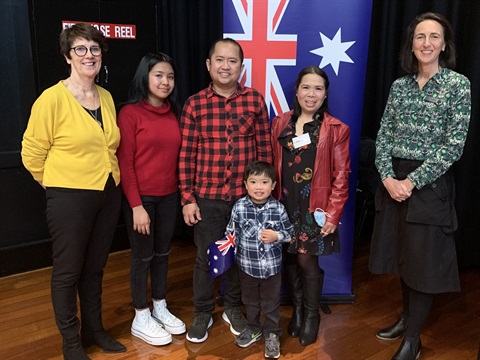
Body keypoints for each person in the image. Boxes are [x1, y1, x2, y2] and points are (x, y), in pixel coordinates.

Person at [369, 12, 471, 360]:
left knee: (423, 262)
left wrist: (411, 181)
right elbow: (383, 135)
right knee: (402, 255)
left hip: (429, 184)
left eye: (434, 37)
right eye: (420, 37)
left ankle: (413, 338)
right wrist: (386, 176)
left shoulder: (458, 85)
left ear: (445, 44)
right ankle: (407, 317)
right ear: (411, 45)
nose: (427, 43)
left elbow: (454, 146)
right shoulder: (400, 86)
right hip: (393, 179)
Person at [21, 23, 126, 359]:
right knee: (68, 271)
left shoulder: (106, 97)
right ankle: (71, 341)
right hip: (68, 196)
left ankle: (94, 330)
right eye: (80, 49)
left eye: (94, 48)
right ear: (68, 55)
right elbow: (31, 154)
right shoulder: (51, 99)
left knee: (95, 268)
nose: (89, 55)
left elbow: (109, 147)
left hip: (108, 193)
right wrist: (54, 183)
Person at [179, 37, 273, 343]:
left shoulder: (255, 101)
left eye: (232, 61)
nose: (225, 66)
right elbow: (186, 155)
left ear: (241, 67)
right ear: (209, 65)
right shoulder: (194, 104)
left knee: (238, 256)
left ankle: (232, 306)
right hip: (206, 199)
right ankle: (203, 311)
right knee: (206, 257)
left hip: (245, 201)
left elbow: (264, 154)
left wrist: (264, 196)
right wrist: (187, 198)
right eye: (219, 60)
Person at [271, 66, 351, 346]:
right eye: (306, 87)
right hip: (284, 204)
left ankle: (311, 314)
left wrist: (333, 213)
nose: (311, 94)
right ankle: (297, 310)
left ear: (325, 93)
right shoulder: (280, 123)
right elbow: (272, 166)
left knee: (306, 260)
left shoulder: (336, 129)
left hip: (314, 208)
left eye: (318, 88)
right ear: (296, 91)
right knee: (291, 258)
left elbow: (341, 175)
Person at [116, 52, 186, 347]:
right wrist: (136, 206)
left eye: (170, 77)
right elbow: (125, 163)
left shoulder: (175, 112)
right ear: (145, 76)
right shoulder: (130, 113)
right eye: (158, 75)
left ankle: (159, 304)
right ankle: (140, 315)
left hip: (169, 196)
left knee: (162, 254)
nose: (165, 82)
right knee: (142, 257)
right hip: (141, 199)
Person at [226, 161, 292, 359]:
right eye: (253, 182)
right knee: (250, 301)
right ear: (246, 185)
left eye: (264, 182)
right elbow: (230, 232)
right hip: (247, 267)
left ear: (273, 185)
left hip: (271, 269)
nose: (258, 187)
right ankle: (253, 328)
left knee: (271, 303)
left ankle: (272, 334)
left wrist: (277, 236)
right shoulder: (239, 207)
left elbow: (290, 233)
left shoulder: (278, 208)